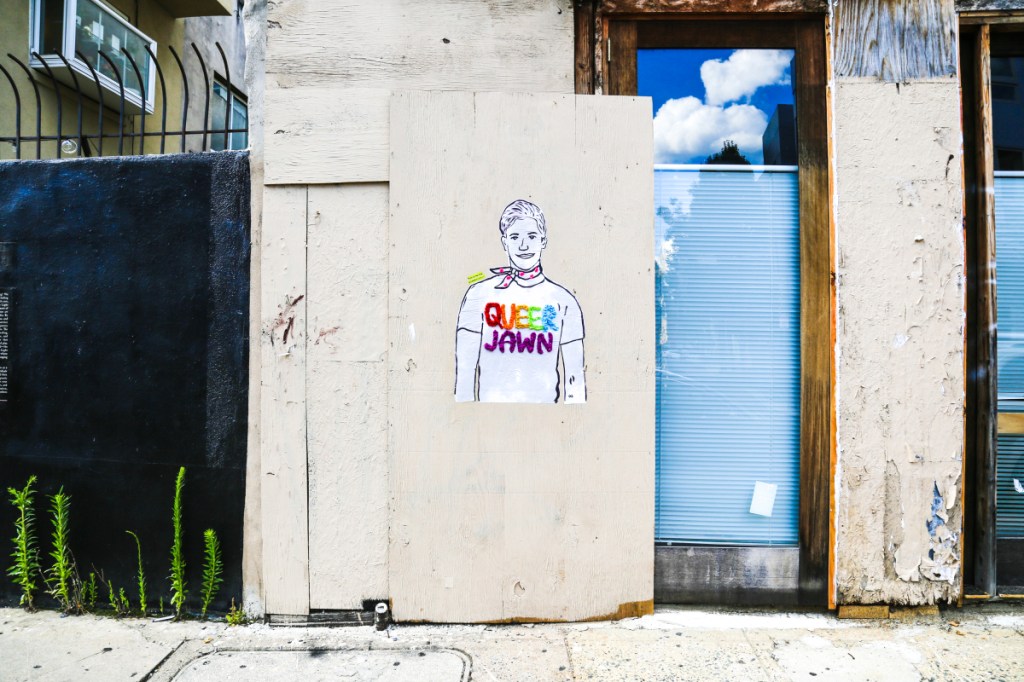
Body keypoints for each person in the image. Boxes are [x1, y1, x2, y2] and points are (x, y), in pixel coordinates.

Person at [455, 199, 585, 403]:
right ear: (504, 242)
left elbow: (574, 380)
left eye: (532, 236)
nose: (524, 245)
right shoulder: (478, 294)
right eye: (515, 237)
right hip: (489, 418)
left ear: (543, 240)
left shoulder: (564, 301)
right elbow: (464, 374)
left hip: (545, 418)